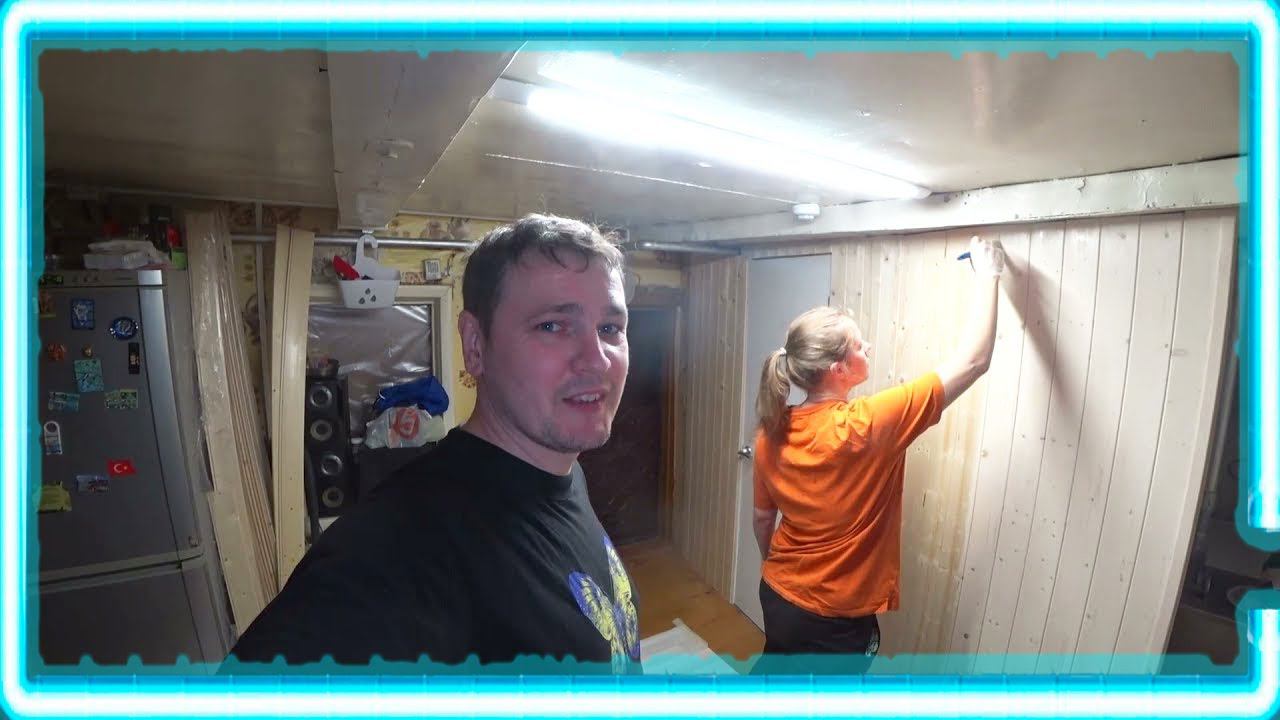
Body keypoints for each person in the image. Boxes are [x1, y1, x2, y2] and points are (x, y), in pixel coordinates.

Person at [225, 214, 641, 674]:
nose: (597, 360)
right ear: (475, 345)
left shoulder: (565, 472)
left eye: (610, 328)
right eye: (553, 326)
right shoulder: (403, 547)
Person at [750, 235, 1005, 673]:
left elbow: (761, 520)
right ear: (839, 369)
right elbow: (974, 361)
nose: (868, 348)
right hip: (835, 618)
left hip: (778, 594)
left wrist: (777, 569)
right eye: (859, 345)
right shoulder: (868, 423)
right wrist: (990, 272)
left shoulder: (770, 431)